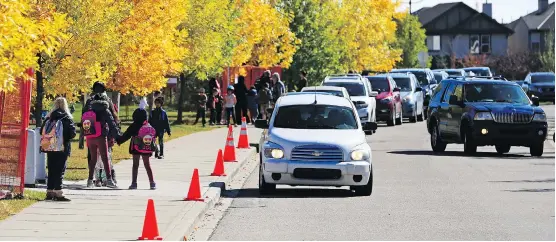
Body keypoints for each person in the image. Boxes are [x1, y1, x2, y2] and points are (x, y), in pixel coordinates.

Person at [82, 81, 119, 185]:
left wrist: (82, 136)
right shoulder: (107, 101)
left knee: (93, 157)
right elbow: (113, 118)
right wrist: (116, 135)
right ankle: (110, 178)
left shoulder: (89, 102)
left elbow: (83, 118)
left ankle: (94, 179)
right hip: (103, 133)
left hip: (90, 133)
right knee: (106, 156)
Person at [40, 97, 76, 201]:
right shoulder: (66, 118)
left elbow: (41, 131)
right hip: (62, 147)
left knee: (51, 169)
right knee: (60, 169)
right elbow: (72, 133)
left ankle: (49, 191)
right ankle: (58, 192)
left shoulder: (49, 117)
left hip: (50, 147)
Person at [116, 108, 156, 190]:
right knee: (147, 164)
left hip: (136, 147)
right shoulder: (148, 125)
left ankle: (134, 183)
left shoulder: (134, 125)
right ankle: (152, 183)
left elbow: (127, 135)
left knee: (135, 165)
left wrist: (119, 141)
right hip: (146, 147)